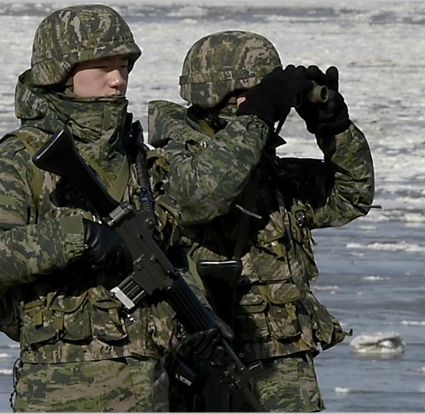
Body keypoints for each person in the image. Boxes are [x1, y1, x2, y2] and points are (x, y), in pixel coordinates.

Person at [0, 5, 216, 412]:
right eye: (103, 67)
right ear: (58, 72)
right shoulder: (21, 160)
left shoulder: (138, 162)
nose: (118, 80)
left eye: (124, 67)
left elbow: (177, 249)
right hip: (64, 393)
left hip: (152, 389)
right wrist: (78, 237)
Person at [147, 30, 376, 412]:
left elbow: (350, 195)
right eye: (256, 92)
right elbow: (202, 197)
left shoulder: (267, 172)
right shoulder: (170, 165)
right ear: (218, 93)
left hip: (282, 361)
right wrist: (258, 115)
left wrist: (333, 128)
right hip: (207, 361)